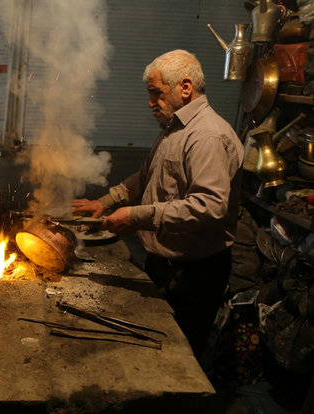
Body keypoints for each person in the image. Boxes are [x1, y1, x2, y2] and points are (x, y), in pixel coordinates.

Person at [73, 49, 244, 359]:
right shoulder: (174, 128)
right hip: (165, 264)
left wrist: (136, 217)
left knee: (180, 356)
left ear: (186, 87)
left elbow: (209, 206)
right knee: (152, 346)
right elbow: (147, 175)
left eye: (156, 93)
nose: (150, 102)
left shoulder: (206, 136)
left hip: (194, 273)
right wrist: (105, 201)